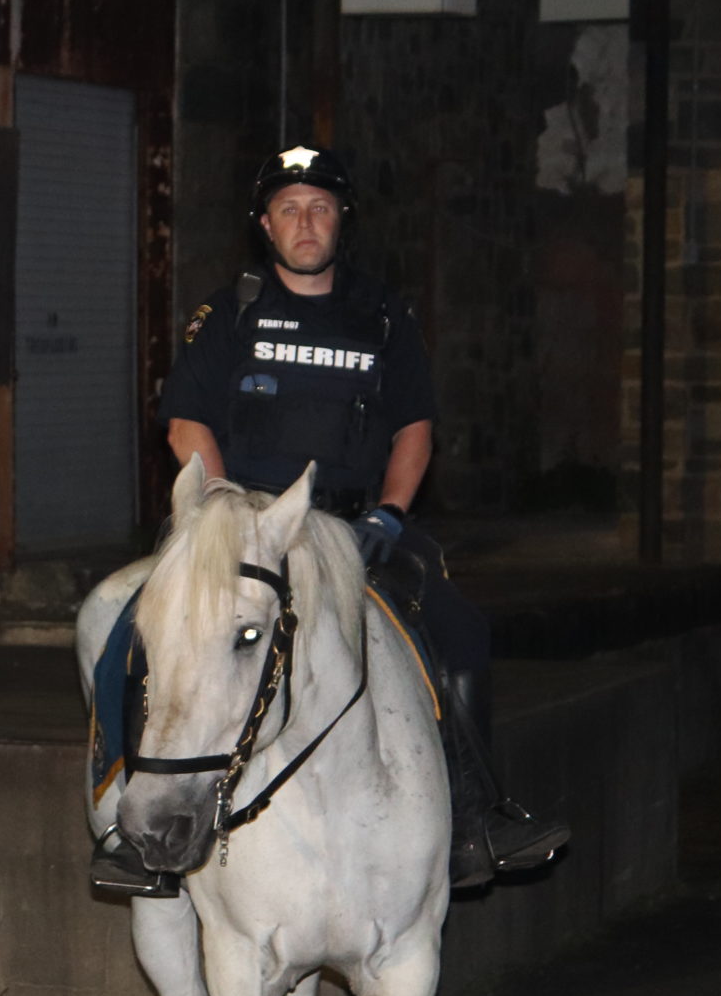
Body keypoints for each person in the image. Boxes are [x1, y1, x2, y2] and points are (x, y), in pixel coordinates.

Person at [91, 144, 569, 896]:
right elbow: (186, 423)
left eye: (320, 207)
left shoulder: (384, 316)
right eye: (289, 209)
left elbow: (414, 430)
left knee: (460, 631)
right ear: (265, 224)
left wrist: (390, 512)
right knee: (129, 632)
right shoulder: (229, 313)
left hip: (353, 527)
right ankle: (131, 819)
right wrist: (223, 516)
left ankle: (477, 814)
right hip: (243, 526)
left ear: (342, 218)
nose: (305, 223)